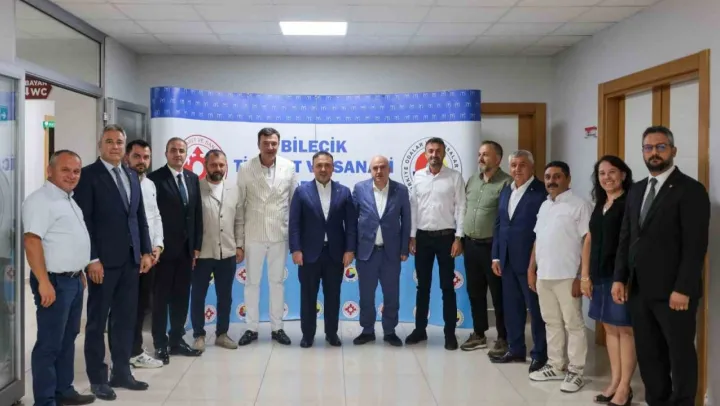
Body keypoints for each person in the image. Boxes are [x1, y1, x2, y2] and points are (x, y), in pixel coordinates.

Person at [612, 126, 710, 406]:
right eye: (648, 147)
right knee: (649, 355)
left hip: (674, 293)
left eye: (660, 147)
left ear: (673, 151)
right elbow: (626, 237)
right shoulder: (637, 190)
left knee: (680, 355)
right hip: (639, 290)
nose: (654, 152)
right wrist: (619, 277)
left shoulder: (690, 190)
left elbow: (695, 245)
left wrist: (683, 288)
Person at [73, 125, 154, 400]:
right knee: (97, 323)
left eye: (119, 142)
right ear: (100, 145)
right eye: (109, 141)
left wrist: (145, 251)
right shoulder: (88, 176)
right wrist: (92, 259)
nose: (115, 146)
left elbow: (139, 217)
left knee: (125, 320)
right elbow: (85, 221)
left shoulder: (131, 175)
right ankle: (98, 379)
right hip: (102, 264)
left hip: (131, 262)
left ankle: (121, 372)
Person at [23, 150, 95, 406]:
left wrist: (79, 271)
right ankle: (44, 400)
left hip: (73, 281)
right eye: (65, 170)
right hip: (53, 282)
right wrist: (43, 282)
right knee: (50, 343)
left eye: (76, 171)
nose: (72, 176)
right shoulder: (41, 200)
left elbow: (67, 240)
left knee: (67, 339)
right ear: (50, 170)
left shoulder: (68, 200)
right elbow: (32, 241)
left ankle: (63, 391)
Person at [527, 161, 591, 393]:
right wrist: (531, 269)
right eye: (547, 177)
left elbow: (587, 240)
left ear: (568, 179)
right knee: (551, 322)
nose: (551, 181)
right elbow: (538, 239)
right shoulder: (545, 205)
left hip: (568, 275)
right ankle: (556, 365)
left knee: (573, 324)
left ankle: (576, 371)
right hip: (544, 275)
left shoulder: (579, 205)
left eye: (557, 176)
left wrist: (581, 275)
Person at [580, 156, 635, 406]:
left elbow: (631, 243)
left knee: (625, 329)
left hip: (619, 277)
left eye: (612, 172)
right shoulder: (600, 203)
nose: (607, 177)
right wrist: (585, 275)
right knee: (610, 329)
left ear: (623, 175)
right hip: (598, 275)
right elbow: (589, 240)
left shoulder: (629, 203)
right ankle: (615, 381)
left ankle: (625, 387)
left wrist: (621, 278)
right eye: (602, 173)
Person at [236, 127, 297, 346]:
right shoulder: (245, 168)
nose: (270, 147)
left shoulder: (289, 167)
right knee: (252, 283)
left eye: (274, 143)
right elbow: (240, 206)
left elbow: (294, 204)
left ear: (278, 144)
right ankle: (251, 328)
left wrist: (294, 239)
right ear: (258, 144)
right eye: (266, 143)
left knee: (277, 283)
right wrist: (239, 242)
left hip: (279, 235)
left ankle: (277, 327)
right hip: (253, 235)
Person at [289, 151, 356, 348]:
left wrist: (350, 250)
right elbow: (294, 224)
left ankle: (331, 333)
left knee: (333, 296)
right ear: (313, 168)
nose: (323, 169)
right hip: (308, 254)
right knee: (308, 296)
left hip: (335, 254)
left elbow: (351, 225)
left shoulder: (344, 192)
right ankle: (307, 335)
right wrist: (296, 249)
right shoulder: (301, 192)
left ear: (333, 168)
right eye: (319, 165)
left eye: (327, 165)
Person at [489, 150, 547, 373]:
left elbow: (543, 229)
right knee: (512, 308)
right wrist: (496, 255)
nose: (517, 169)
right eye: (513, 165)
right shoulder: (506, 190)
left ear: (532, 167)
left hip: (530, 261)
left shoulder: (541, 192)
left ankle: (540, 354)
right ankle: (515, 349)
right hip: (506, 260)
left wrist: (536, 261)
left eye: (522, 164)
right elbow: (499, 224)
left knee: (536, 310)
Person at [108, 140, 164, 369]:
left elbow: (155, 217)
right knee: (121, 308)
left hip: (149, 258)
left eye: (146, 157)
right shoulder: (119, 183)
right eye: (137, 156)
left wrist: (157, 246)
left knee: (141, 307)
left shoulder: (149, 185)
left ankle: (135, 351)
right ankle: (119, 356)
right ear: (127, 158)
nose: (142, 161)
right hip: (128, 257)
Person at [148, 137, 203, 363]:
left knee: (181, 298)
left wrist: (196, 246)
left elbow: (197, 215)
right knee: (161, 300)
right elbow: (151, 216)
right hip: (163, 252)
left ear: (186, 154)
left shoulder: (192, 178)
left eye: (181, 150)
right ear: (166, 153)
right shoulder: (155, 179)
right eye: (173, 150)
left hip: (186, 252)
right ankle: (160, 344)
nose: (178, 154)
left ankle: (177, 340)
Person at [408, 137, 466, 351]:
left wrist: (459, 237)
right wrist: (412, 236)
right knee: (422, 287)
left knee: (447, 287)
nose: (434, 154)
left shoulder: (454, 177)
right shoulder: (418, 176)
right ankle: (420, 330)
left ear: (444, 153)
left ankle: (449, 333)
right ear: (425, 154)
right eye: (431, 151)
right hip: (422, 238)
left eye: (438, 151)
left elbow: (461, 207)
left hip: (446, 238)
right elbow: (413, 207)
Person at [352, 155, 410, 347]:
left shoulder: (401, 191)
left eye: (382, 167)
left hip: (390, 253)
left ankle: (390, 331)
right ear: (370, 170)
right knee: (366, 296)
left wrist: (404, 248)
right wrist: (351, 249)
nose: (379, 171)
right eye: (375, 168)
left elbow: (406, 221)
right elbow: (352, 221)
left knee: (391, 295)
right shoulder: (360, 189)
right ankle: (367, 330)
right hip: (366, 253)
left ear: (389, 169)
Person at [461, 141, 511, 354]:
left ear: (498, 159)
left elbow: (506, 218)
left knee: (499, 294)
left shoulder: (507, 183)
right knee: (475, 292)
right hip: (470, 245)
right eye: (479, 154)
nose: (480, 158)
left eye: (486, 155)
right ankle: (479, 333)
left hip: (493, 248)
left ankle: (503, 337)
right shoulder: (473, 180)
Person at [191, 150, 243, 351]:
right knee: (198, 296)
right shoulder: (196, 188)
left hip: (227, 252)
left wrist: (239, 245)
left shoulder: (233, 189)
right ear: (205, 165)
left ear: (226, 166)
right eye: (213, 165)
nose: (218, 169)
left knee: (225, 296)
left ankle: (222, 334)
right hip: (202, 253)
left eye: (221, 165)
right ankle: (199, 334)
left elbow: (239, 220)